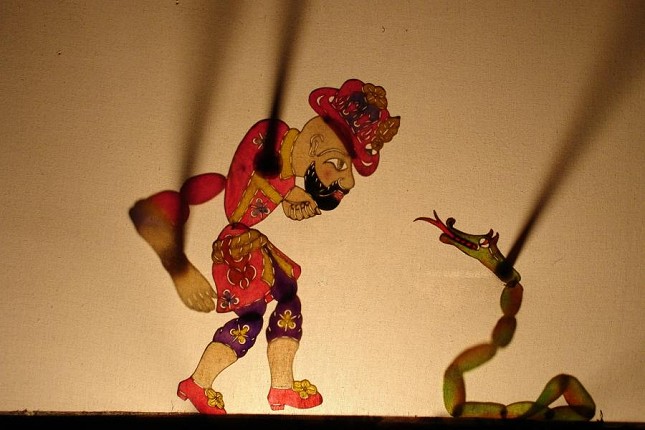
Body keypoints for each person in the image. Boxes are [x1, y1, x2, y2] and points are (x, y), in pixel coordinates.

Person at [129, 78, 400, 414]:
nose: (344, 180)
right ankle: (205, 383)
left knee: (284, 301)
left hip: (247, 242)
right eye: (339, 162)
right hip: (239, 246)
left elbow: (268, 182)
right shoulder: (269, 141)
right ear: (316, 142)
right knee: (253, 318)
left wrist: (290, 195)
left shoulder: (282, 162)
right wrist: (180, 269)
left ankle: (274, 387)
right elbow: (254, 180)